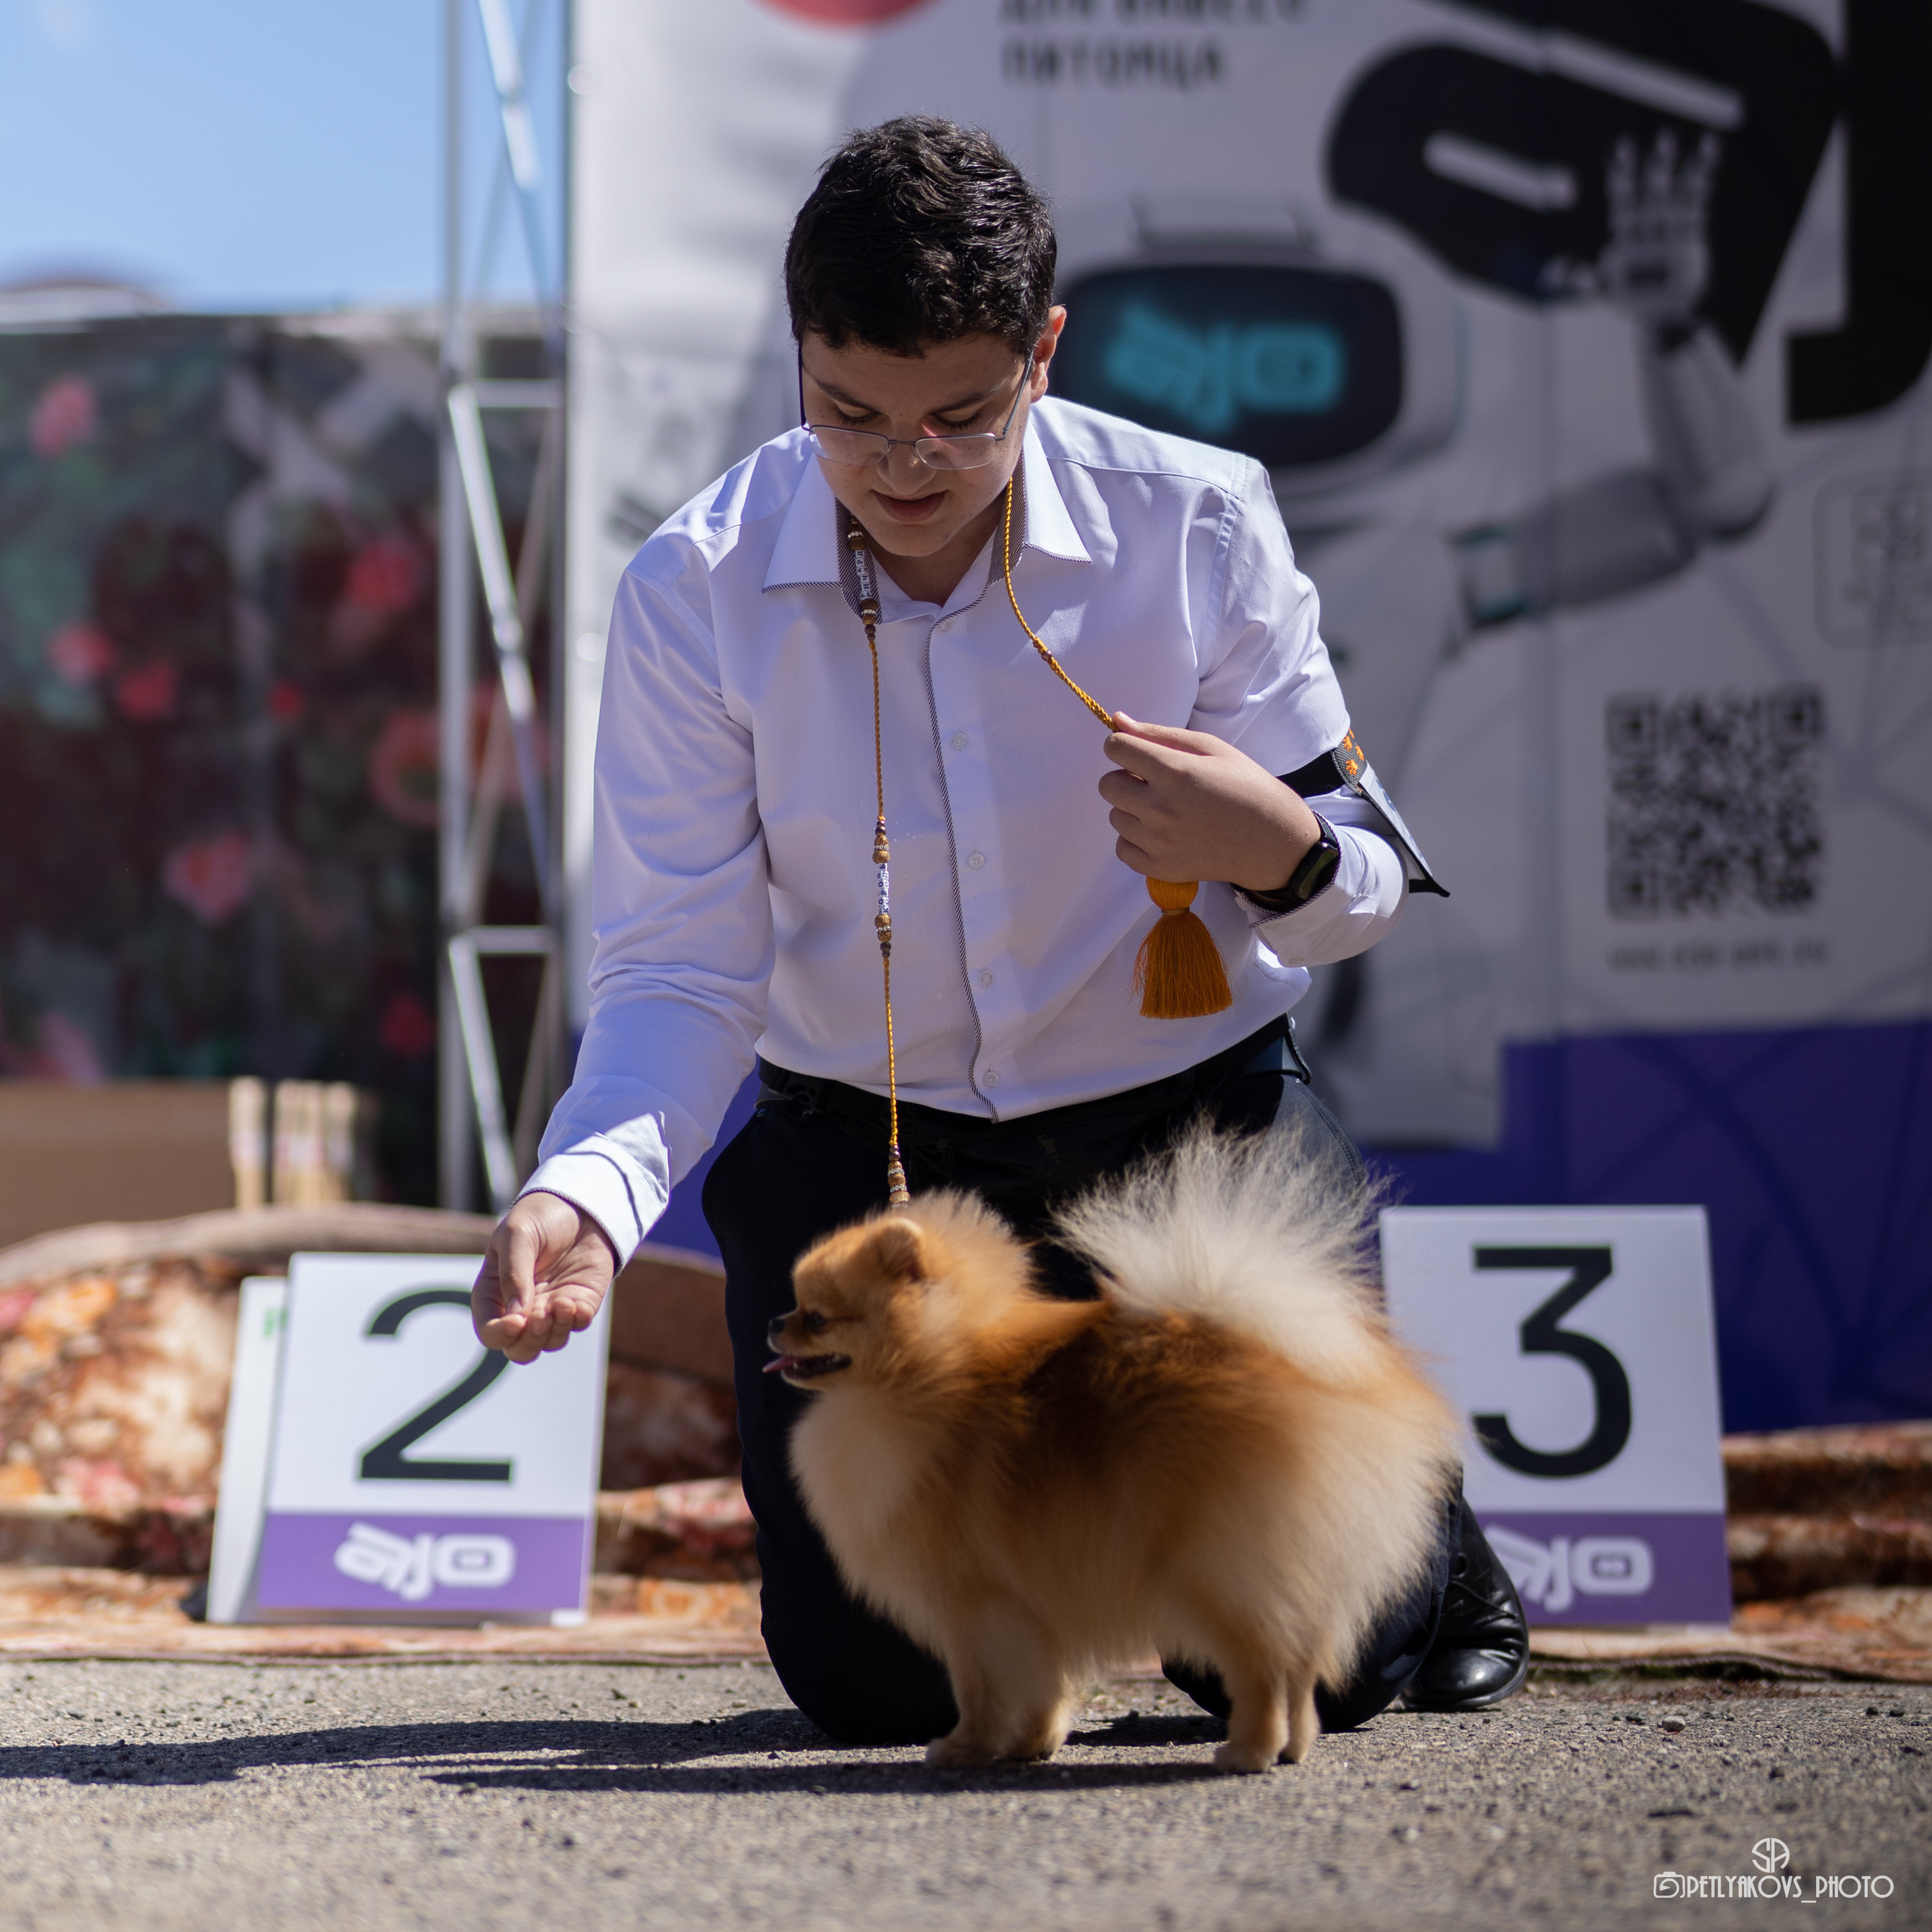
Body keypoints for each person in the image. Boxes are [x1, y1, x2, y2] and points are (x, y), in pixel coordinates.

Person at [471, 116, 1527, 1743]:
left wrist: (1280, 845)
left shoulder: (1196, 523)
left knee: (1322, 1655)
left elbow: (1366, 881)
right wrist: (585, 1194)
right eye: (849, 413)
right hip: (874, 1169)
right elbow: (682, 966)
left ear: (1043, 351)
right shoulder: (691, 590)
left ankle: (1422, 1528)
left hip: (1181, 1131)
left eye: (962, 416)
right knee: (877, 1682)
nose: (904, 462)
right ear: (798, 352)